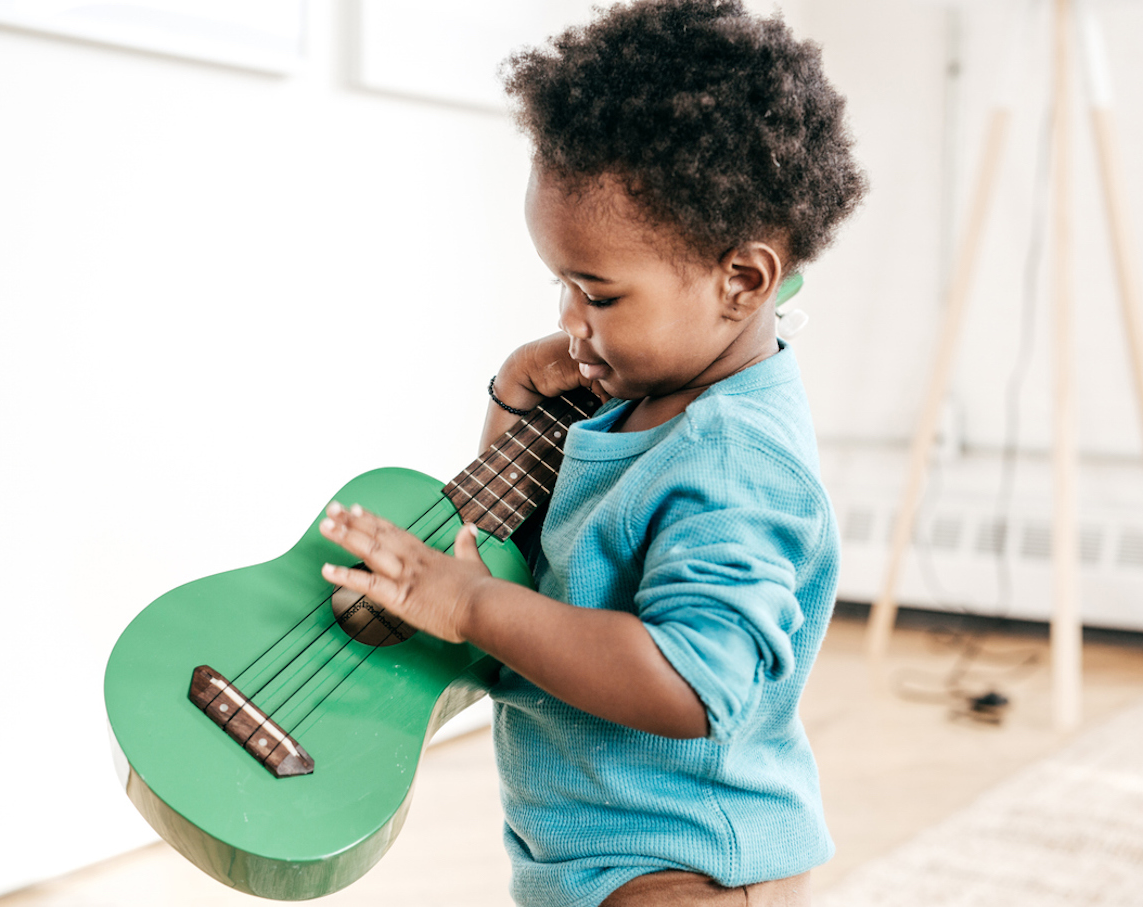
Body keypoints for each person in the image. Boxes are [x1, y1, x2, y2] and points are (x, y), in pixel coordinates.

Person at [319, 1, 867, 904]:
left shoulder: (736, 455)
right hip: (589, 847)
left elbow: (690, 682)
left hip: (687, 864)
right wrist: (511, 407)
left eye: (599, 295)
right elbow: (535, 554)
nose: (570, 322)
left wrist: (475, 607)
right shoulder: (640, 396)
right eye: (561, 285)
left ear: (742, 280)